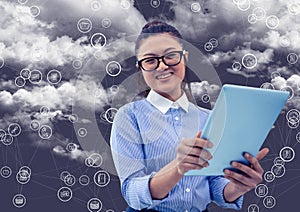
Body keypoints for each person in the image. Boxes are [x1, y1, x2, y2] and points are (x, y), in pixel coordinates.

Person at [110, 20, 269, 212]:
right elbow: (132, 192)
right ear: (140, 68)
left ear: (184, 58)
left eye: (170, 56)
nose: (161, 66)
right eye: (150, 60)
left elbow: (213, 184)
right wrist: (178, 167)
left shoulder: (209, 118)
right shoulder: (129, 117)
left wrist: (238, 186)